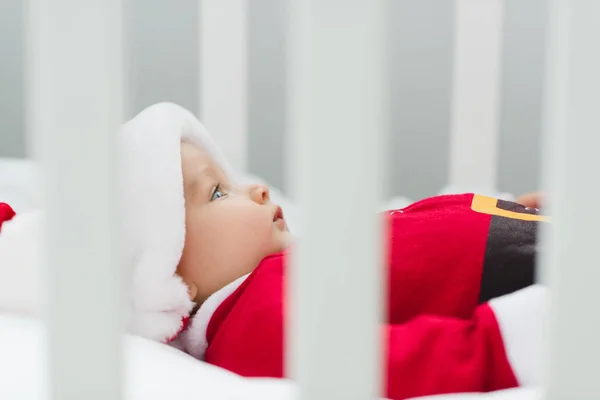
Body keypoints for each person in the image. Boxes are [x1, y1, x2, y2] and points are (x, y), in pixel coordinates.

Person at [0, 103, 547, 400]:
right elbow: (376, 367)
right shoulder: (255, 321)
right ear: (171, 276)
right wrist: (508, 343)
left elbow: (409, 243)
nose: (258, 188)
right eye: (217, 192)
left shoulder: (283, 270)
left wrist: (513, 211)